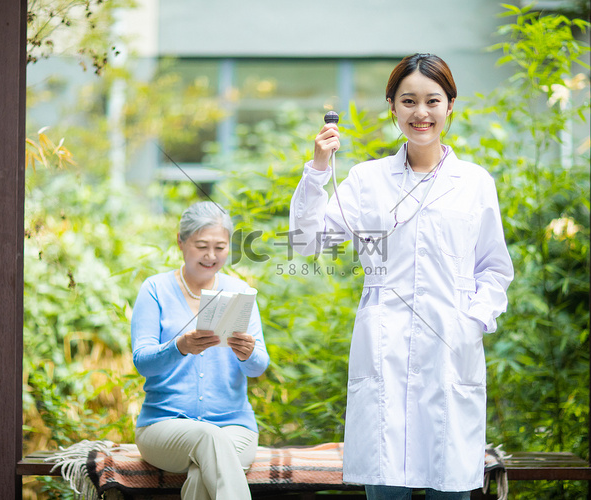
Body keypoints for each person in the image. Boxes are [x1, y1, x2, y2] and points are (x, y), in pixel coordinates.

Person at [289, 53, 514, 499]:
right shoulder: (366, 179)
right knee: (385, 481)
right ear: (392, 106)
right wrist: (318, 169)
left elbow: (493, 267)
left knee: (450, 483)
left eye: (432, 100)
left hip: (452, 344)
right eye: (408, 101)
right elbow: (309, 240)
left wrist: (474, 320)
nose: (421, 112)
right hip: (384, 344)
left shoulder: (474, 182)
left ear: (451, 105)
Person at [131, 201, 270, 500]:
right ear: (180, 241)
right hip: (162, 427)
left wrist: (248, 353)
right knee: (207, 437)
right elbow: (143, 362)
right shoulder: (155, 290)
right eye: (201, 246)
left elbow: (258, 367)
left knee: (201, 474)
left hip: (236, 427)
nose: (211, 256)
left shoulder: (241, 293)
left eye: (220, 247)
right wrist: (179, 347)